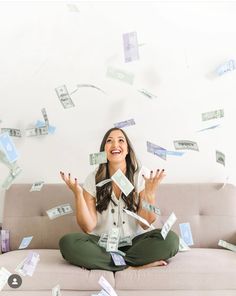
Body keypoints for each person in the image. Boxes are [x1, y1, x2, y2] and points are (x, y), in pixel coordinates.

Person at [59, 127, 179, 271]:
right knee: (68, 243)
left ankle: (113, 264)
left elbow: (146, 224)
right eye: (110, 141)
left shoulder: (141, 174)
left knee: (171, 240)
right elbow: (88, 226)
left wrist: (150, 194)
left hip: (136, 243)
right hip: (103, 245)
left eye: (121, 140)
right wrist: (78, 194)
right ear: (104, 151)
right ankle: (131, 266)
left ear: (127, 150)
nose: (115, 144)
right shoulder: (93, 178)